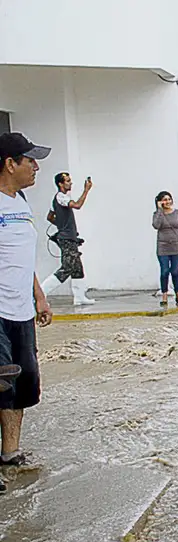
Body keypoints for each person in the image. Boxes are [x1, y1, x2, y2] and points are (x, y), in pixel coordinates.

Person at [0, 132, 54, 492]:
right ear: (9, 164)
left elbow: (23, 257)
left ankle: (9, 454)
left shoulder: (20, 201)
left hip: (22, 311)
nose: (36, 167)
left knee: (21, 386)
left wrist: (39, 296)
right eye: (29, 160)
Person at [39, 172, 95, 305]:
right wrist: (86, 190)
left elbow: (50, 217)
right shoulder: (61, 197)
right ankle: (41, 293)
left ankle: (79, 297)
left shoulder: (57, 199)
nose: (70, 183)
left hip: (69, 237)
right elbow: (77, 205)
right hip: (66, 239)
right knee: (67, 268)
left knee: (77, 268)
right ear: (60, 184)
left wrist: (61, 225)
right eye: (67, 181)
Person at [152, 192, 178, 307]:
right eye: (164, 200)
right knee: (164, 271)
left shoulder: (177, 213)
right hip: (163, 248)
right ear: (160, 202)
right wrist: (159, 210)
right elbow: (156, 225)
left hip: (176, 247)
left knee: (175, 272)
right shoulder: (157, 214)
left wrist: (175, 235)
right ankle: (164, 296)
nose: (167, 202)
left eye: (169, 199)